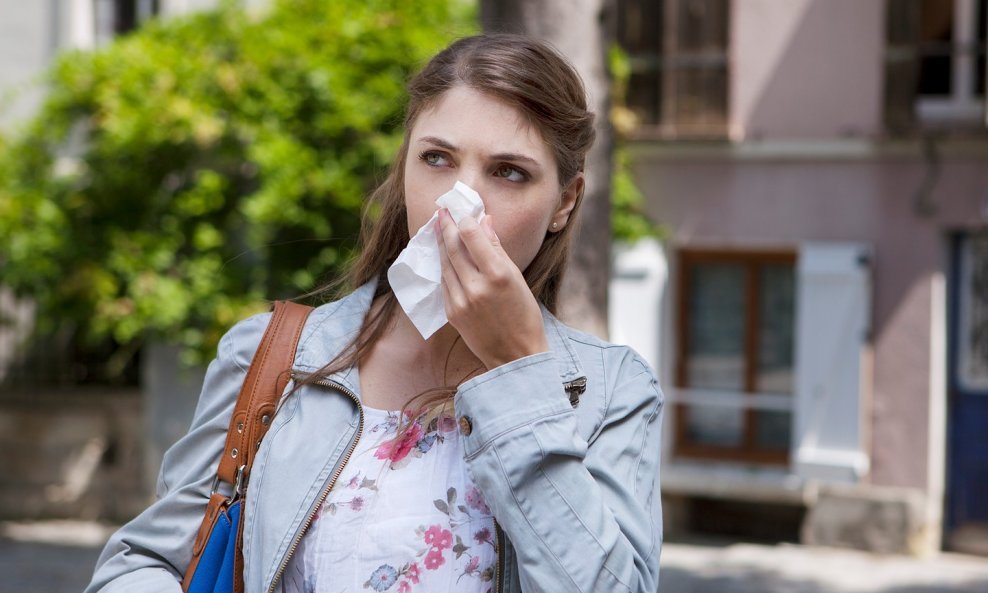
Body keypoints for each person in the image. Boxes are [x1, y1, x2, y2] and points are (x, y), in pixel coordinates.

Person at [86, 32, 664, 593]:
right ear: (405, 170)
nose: (458, 201)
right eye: (437, 158)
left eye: (509, 171)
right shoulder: (271, 356)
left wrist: (517, 372)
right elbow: (144, 560)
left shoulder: (611, 391)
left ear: (564, 201)